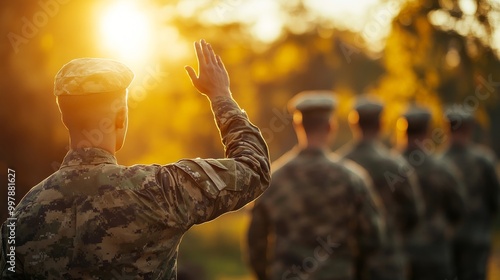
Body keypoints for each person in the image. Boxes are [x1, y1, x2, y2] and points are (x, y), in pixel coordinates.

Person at [0, 39, 271, 279]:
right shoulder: (158, 190)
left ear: (64, 118)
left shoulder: (21, 217)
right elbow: (254, 167)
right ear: (121, 116)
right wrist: (221, 96)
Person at [247, 91, 385, 280]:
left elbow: (255, 242)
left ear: (297, 125)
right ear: (331, 126)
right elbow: (372, 237)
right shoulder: (352, 178)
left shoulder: (272, 180)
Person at [339, 98, 423, 280]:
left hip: (351, 263)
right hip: (389, 261)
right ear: (381, 124)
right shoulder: (396, 165)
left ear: (354, 124)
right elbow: (414, 213)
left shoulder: (341, 164)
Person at [399, 107, 465, 280]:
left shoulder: (390, 168)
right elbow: (458, 208)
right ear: (427, 132)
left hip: (399, 254)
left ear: (403, 131)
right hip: (434, 254)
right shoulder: (443, 168)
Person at [442, 105, 500, 280]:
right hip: (477, 238)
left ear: (447, 128)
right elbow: (496, 200)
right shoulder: (485, 161)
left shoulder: (439, 162)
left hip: (447, 241)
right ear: (470, 128)